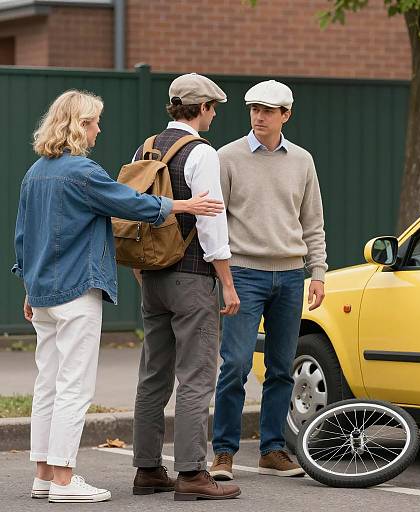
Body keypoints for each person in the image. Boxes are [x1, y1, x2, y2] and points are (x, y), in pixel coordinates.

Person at [12, 89, 223, 504]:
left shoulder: (35, 172)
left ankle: (43, 473)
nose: (98, 129)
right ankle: (64, 479)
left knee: (48, 384)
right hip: (76, 291)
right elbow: (129, 203)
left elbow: (23, 237)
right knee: (74, 386)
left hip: (41, 293)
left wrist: (27, 288)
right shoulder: (82, 172)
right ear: (78, 126)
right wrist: (185, 205)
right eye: (93, 123)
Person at [210, 80, 328, 480]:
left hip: (293, 275)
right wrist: (223, 275)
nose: (258, 116)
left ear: (286, 115)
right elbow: (213, 221)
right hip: (245, 272)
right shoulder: (227, 157)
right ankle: (223, 452)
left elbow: (312, 221)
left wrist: (318, 272)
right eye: (253, 109)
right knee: (236, 365)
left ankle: (272, 449)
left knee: (281, 368)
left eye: (267, 110)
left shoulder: (303, 161)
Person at [131, 73, 241, 501]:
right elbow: (212, 222)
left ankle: (147, 469)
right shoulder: (202, 152)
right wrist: (227, 284)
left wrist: (141, 269)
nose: (214, 114)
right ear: (202, 108)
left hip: (151, 274)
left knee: (153, 375)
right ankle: (193, 474)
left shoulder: (145, 148)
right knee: (196, 375)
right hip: (191, 275)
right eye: (213, 107)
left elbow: (135, 208)